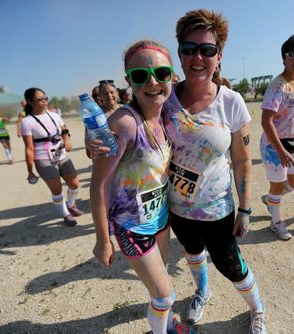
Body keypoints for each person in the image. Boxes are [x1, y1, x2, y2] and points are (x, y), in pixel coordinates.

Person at [164, 9, 266, 333]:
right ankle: (202, 291)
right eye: (189, 48)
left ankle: (257, 309)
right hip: (177, 207)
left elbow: (242, 160)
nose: (198, 57)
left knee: (231, 264)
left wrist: (246, 208)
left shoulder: (232, 102)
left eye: (207, 50)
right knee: (192, 252)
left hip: (217, 210)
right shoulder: (164, 99)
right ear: (179, 52)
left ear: (218, 56)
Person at [90, 40, 194, 334]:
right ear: (129, 81)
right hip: (132, 227)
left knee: (159, 288)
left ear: (172, 76)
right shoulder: (124, 123)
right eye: (140, 76)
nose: (152, 82)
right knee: (164, 295)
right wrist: (103, 238)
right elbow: (98, 185)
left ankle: (165, 323)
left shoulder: (167, 113)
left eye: (161, 73)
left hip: (161, 219)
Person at [260, 34, 294, 241]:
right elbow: (266, 121)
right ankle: (276, 222)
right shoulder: (277, 86)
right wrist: (280, 151)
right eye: (292, 54)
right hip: (275, 146)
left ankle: (272, 199)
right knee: (277, 185)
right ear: (283, 58)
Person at [20, 87, 83, 226]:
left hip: (61, 155)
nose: (44, 101)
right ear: (30, 101)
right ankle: (65, 214)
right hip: (43, 158)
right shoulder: (27, 122)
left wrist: (67, 139)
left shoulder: (54, 115)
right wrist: (30, 171)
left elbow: (64, 129)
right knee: (57, 189)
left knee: (74, 183)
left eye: (45, 98)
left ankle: (71, 205)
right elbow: (29, 148)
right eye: (39, 99)